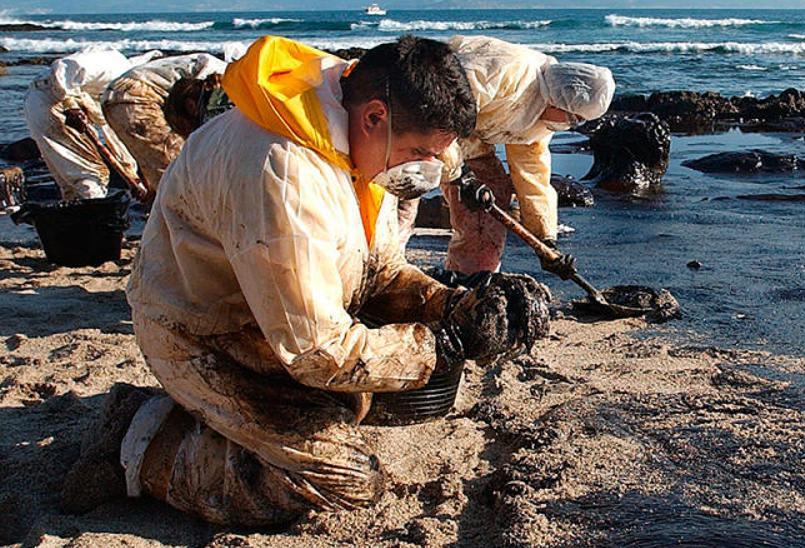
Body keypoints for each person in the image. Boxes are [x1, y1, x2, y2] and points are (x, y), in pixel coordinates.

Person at [59, 35, 551, 526]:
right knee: (346, 478)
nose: (423, 169)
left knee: (366, 394)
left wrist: (456, 307)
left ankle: (210, 418)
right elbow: (315, 351)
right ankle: (140, 442)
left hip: (268, 310)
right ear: (375, 116)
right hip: (205, 333)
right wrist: (440, 346)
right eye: (417, 151)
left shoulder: (349, 130)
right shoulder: (284, 174)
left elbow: (376, 272)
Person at [408, 35, 614, 281]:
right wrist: (460, 174)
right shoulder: (506, 72)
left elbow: (533, 172)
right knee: (405, 190)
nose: (572, 125)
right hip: (416, 117)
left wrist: (546, 240)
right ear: (561, 102)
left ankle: (471, 276)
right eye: (574, 118)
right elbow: (439, 112)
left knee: (493, 192)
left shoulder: (542, 116)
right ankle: (384, 270)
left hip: (468, 136)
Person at [23, 49, 158, 200]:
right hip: (51, 99)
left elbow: (116, 140)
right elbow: (64, 67)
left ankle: (77, 216)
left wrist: (136, 180)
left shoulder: (114, 88)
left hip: (41, 102)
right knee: (90, 173)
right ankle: (95, 216)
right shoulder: (112, 62)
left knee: (69, 182)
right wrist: (70, 105)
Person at [102, 53, 227, 194]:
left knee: (163, 163)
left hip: (120, 94)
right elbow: (210, 124)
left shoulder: (215, 67)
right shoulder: (222, 77)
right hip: (136, 96)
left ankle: (157, 200)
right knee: (177, 168)